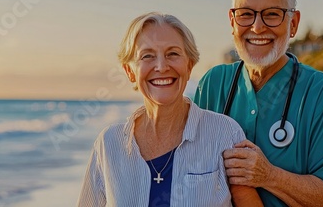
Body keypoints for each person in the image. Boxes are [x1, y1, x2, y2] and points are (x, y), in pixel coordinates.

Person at [194, 0, 323, 206]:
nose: (257, 27)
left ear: (293, 23)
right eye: (245, 13)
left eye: (272, 13)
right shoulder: (213, 84)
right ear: (232, 22)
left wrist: (269, 176)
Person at [78, 12, 262, 206]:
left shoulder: (225, 133)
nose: (161, 66)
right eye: (147, 56)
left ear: (189, 65)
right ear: (130, 71)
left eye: (172, 54)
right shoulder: (108, 145)